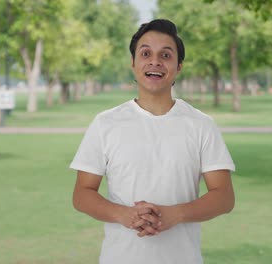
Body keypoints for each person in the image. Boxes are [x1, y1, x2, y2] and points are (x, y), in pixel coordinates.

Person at [70, 19, 235, 264]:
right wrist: (124, 215)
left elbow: (224, 197)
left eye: (165, 55)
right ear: (133, 63)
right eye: (145, 53)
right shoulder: (105, 123)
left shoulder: (201, 124)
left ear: (178, 67)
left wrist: (174, 215)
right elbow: (82, 194)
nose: (155, 61)